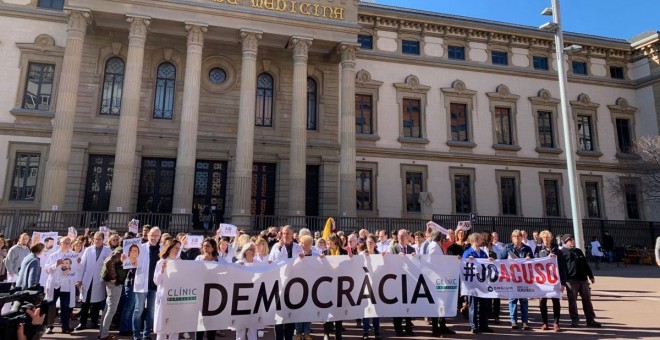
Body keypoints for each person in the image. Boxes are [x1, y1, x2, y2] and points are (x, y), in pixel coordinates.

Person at [269, 225, 303, 340]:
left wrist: (304, 258)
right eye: (283, 233)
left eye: (288, 233)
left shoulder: (298, 248)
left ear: (292, 234)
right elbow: (271, 261)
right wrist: (279, 248)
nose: (285, 235)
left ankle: (288, 337)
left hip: (293, 286)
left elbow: (306, 262)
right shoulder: (276, 246)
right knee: (278, 314)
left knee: (290, 314)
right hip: (279, 285)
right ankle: (279, 338)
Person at [561, 234, 601, 328]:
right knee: (572, 301)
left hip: (583, 279)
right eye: (569, 240)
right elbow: (561, 268)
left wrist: (590, 275)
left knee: (587, 300)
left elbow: (585, 264)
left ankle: (590, 319)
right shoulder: (562, 252)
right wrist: (563, 280)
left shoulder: (578, 251)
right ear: (565, 242)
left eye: (572, 240)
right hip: (571, 280)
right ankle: (575, 320)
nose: (572, 242)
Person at [76, 231, 111, 330]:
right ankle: (82, 323)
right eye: (95, 239)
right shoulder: (88, 250)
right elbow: (82, 265)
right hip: (87, 279)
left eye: (99, 239)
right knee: (85, 302)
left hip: (99, 280)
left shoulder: (107, 251)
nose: (97, 241)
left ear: (103, 240)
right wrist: (79, 279)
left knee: (96, 303)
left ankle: (94, 322)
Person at [499, 229, 534, 330]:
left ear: (521, 237)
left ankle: (525, 322)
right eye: (514, 237)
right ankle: (513, 321)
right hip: (512, 278)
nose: (516, 238)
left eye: (518, 236)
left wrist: (529, 259)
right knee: (512, 300)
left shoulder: (527, 248)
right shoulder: (508, 247)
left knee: (523, 300)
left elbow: (534, 261)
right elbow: (501, 260)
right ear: (512, 238)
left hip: (523, 278)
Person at [132, 226, 162, 340]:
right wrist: (126, 259)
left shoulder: (162, 249)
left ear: (159, 237)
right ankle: (137, 336)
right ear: (147, 235)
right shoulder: (140, 247)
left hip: (155, 285)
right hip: (141, 284)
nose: (154, 237)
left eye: (156, 235)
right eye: (152, 235)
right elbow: (130, 262)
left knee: (151, 311)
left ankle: (146, 335)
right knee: (138, 310)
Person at [44, 237, 78, 334]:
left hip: (66, 285)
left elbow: (77, 269)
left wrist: (78, 262)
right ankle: (49, 326)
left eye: (68, 243)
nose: (66, 244)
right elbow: (47, 269)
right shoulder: (54, 255)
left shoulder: (73, 255)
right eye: (64, 243)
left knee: (65, 306)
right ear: (60, 243)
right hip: (54, 284)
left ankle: (65, 326)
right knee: (51, 305)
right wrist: (55, 264)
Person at [535, 230, 567, 332]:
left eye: (547, 238)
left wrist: (563, 283)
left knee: (555, 301)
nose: (545, 240)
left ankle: (556, 323)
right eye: (543, 238)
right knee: (542, 302)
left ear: (551, 238)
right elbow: (534, 262)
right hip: (543, 280)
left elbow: (562, 267)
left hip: (555, 279)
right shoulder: (538, 249)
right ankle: (545, 322)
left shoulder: (557, 250)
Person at [235, 241, 268, 340]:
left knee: (253, 324)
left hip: (254, 296)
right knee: (241, 324)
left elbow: (265, 275)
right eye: (252, 250)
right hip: (241, 297)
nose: (254, 252)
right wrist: (237, 268)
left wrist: (271, 264)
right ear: (245, 251)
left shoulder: (258, 263)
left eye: (255, 250)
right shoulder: (238, 263)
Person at [463, 232, 494, 334]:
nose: (482, 241)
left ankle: (484, 325)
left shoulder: (483, 253)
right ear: (475, 241)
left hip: (482, 283)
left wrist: (490, 261)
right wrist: (467, 260)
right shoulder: (467, 253)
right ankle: (474, 326)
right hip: (472, 284)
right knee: (473, 306)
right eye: (480, 239)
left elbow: (486, 266)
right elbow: (463, 266)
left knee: (484, 305)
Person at [195, 238, 224, 340]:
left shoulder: (219, 260)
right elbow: (194, 273)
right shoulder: (199, 258)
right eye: (203, 246)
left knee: (212, 320)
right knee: (200, 320)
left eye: (208, 246)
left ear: (213, 248)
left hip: (215, 293)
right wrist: (204, 261)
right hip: (201, 293)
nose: (205, 248)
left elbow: (227, 271)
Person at [153, 239, 182, 340]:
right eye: (176, 248)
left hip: (176, 297)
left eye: (179, 248)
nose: (177, 250)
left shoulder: (181, 263)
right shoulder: (161, 262)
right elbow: (156, 281)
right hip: (164, 297)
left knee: (174, 327)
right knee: (163, 326)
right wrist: (162, 270)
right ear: (169, 248)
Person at [99, 243, 128, 340]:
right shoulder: (121, 251)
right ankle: (104, 335)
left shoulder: (121, 250)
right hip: (114, 283)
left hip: (114, 282)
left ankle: (102, 333)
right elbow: (109, 262)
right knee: (111, 309)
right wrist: (114, 277)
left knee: (108, 308)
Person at [390, 229, 415, 336]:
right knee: (398, 306)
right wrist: (396, 257)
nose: (400, 237)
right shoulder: (393, 248)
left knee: (408, 305)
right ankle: (398, 329)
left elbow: (416, 265)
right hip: (397, 281)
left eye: (403, 236)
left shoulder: (412, 249)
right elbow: (390, 263)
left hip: (408, 281)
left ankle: (409, 327)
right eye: (399, 236)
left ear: (407, 237)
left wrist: (415, 257)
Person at [322, 234, 347, 340]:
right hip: (327, 285)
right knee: (327, 310)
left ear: (335, 241)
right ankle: (326, 333)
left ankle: (338, 333)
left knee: (339, 310)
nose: (327, 243)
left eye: (329, 241)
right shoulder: (325, 253)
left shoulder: (344, 252)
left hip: (340, 285)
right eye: (327, 241)